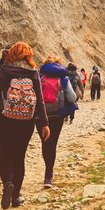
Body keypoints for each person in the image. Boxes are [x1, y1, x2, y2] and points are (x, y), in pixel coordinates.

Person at [0, 42, 50, 209]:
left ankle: (7, 182)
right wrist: (44, 123)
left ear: (11, 54)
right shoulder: (33, 73)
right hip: (26, 122)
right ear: (29, 56)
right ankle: (15, 197)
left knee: (5, 154)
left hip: (5, 119)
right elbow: (40, 100)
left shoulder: (4, 70)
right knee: (19, 157)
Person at [39, 57, 76, 188]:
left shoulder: (39, 77)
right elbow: (72, 97)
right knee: (52, 144)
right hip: (56, 116)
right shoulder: (63, 78)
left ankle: (47, 168)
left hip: (41, 117)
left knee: (45, 143)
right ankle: (48, 175)